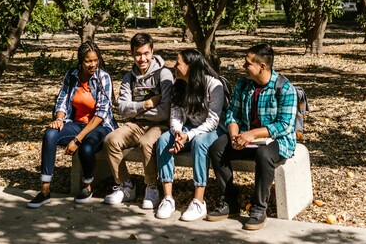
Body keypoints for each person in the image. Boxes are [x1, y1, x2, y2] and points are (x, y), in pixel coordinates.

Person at [206, 44, 297, 230]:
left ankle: (258, 208)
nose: (243, 66)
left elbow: (285, 125)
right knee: (217, 148)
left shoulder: (285, 88)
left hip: (277, 141)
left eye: (248, 63)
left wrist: (252, 134)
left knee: (264, 155)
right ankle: (229, 201)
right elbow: (233, 114)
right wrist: (233, 134)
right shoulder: (243, 84)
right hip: (246, 138)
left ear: (262, 66)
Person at [27, 41, 117, 208]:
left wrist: (77, 139)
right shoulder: (72, 75)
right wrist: (59, 119)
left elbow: (101, 114)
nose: (93, 64)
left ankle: (87, 185)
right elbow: (62, 100)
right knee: (50, 134)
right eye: (88, 61)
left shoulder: (103, 77)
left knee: (86, 146)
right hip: (76, 123)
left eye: (95, 60)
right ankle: (45, 191)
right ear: (80, 61)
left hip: (99, 126)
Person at [103, 33, 173, 209]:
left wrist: (137, 111)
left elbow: (165, 111)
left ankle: (151, 187)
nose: (142, 58)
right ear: (132, 54)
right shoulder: (129, 77)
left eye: (146, 53)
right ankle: (126, 185)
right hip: (136, 124)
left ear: (152, 51)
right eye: (138, 54)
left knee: (146, 142)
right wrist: (147, 104)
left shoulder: (164, 75)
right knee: (111, 140)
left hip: (159, 126)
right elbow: (122, 108)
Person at [155, 49, 226, 221]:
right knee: (164, 140)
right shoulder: (178, 86)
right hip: (188, 129)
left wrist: (190, 135)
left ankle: (199, 201)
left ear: (191, 67)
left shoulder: (213, 85)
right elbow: (176, 115)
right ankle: (168, 198)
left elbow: (213, 121)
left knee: (200, 142)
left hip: (212, 130)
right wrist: (178, 133)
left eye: (178, 63)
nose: (175, 66)